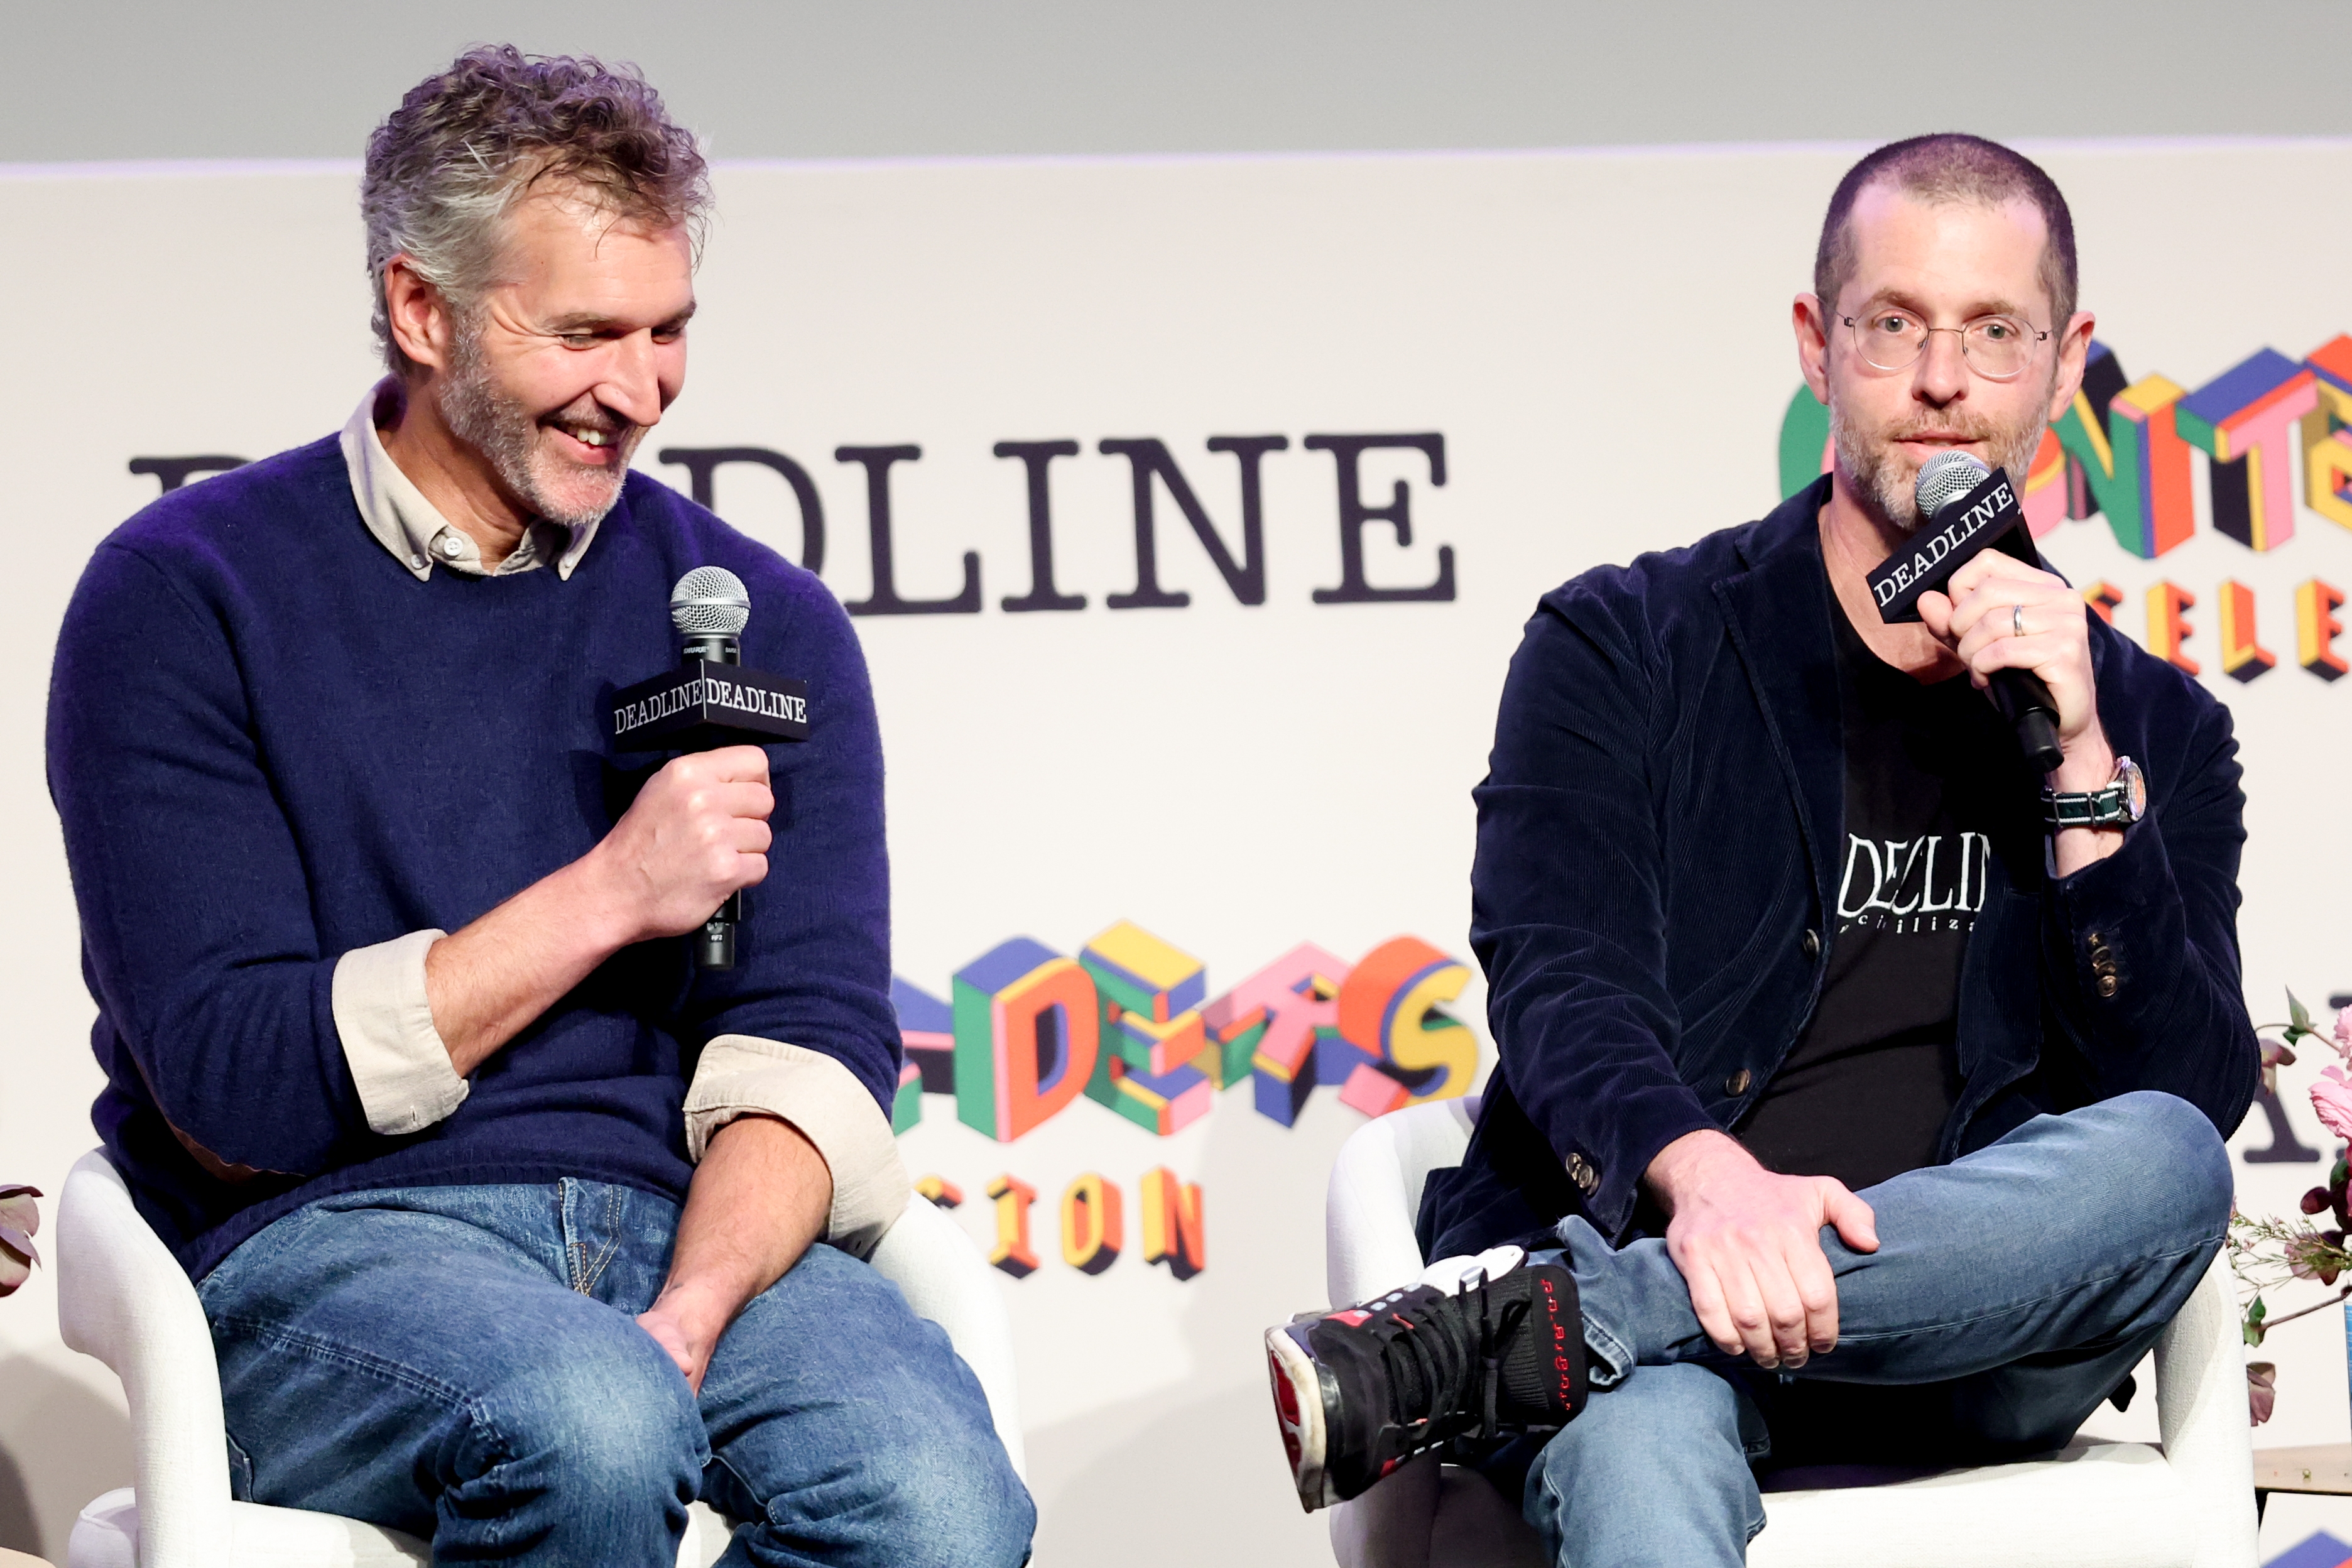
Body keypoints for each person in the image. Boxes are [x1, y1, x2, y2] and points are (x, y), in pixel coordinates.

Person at [47, 46, 1032, 1567]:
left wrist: (696, 1309)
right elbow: (236, 1088)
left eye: (669, 332)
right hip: (328, 1247)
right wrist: (610, 894)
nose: (637, 391)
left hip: (685, 1230)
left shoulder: (760, 620)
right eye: (583, 333)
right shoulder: (186, 596)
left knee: (940, 1506)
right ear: (420, 309)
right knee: (589, 1423)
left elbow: (811, 1045)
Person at [1263, 133, 2253, 1565]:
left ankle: (1519, 1335)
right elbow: (1561, 979)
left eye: (1994, 332)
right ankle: (1605, 1325)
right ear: (1817, 343)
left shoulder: (2156, 723)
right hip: (1671, 1348)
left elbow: (2183, 1099)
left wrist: (2085, 776)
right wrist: (1711, 1187)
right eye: (1892, 325)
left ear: (2065, 357)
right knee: (1636, 1448)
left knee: (2166, 1158)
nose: (1941, 382)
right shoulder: (1628, 644)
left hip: (1962, 1354)